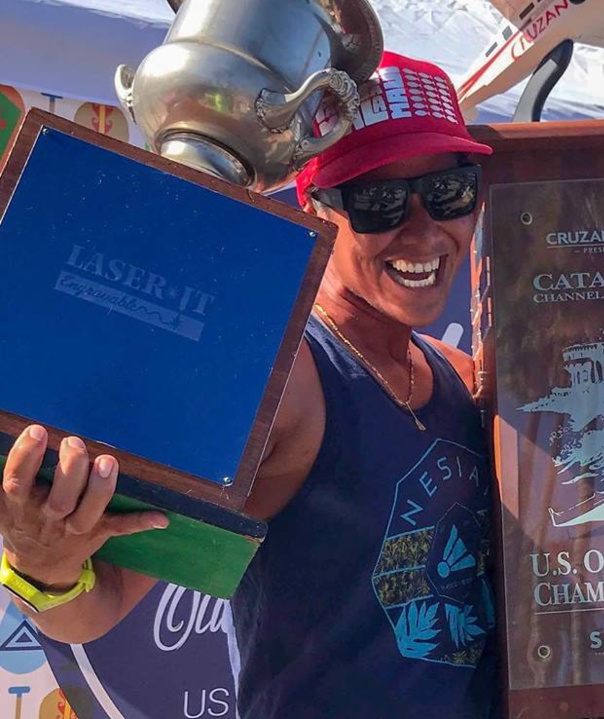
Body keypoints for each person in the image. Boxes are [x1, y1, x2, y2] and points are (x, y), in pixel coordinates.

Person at [0, 51, 497, 718]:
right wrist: (43, 566)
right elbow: (102, 600)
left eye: (449, 192)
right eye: (378, 202)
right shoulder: (284, 381)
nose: (424, 229)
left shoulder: (464, 378)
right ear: (315, 207)